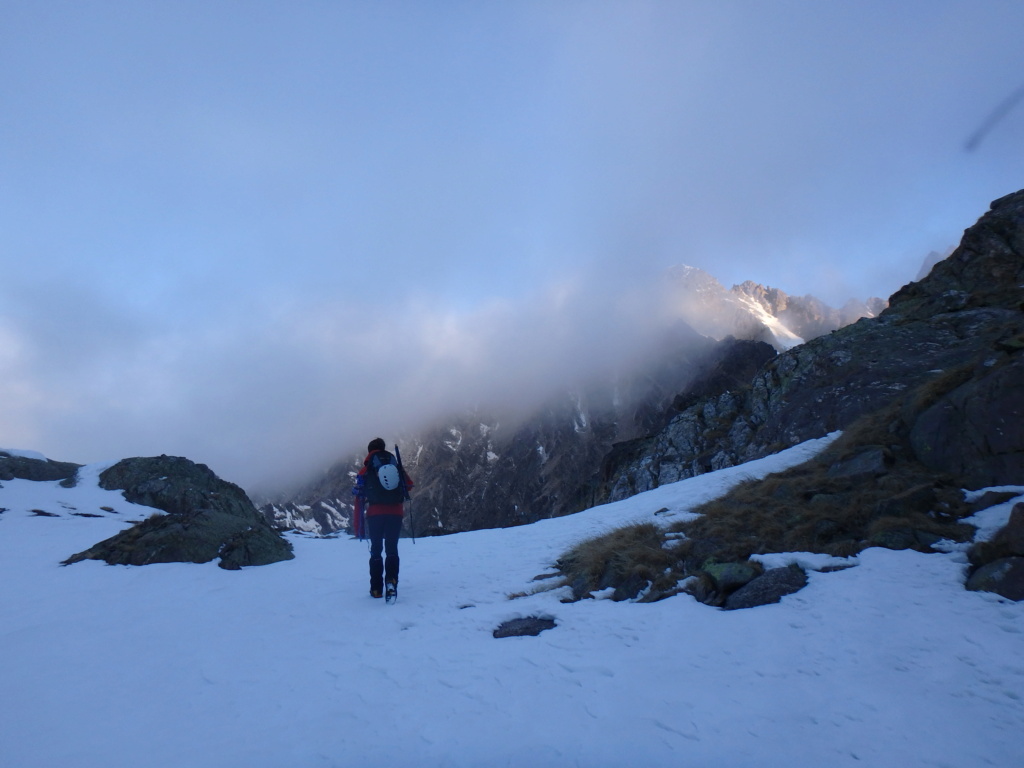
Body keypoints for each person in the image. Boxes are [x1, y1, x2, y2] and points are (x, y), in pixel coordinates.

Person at [354, 438, 413, 601]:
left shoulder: (365, 471)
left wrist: (358, 526)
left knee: (376, 550)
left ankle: (376, 589)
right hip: (395, 513)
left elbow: (359, 497)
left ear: (370, 451)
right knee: (392, 548)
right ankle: (392, 581)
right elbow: (409, 485)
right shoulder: (396, 466)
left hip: (375, 514)